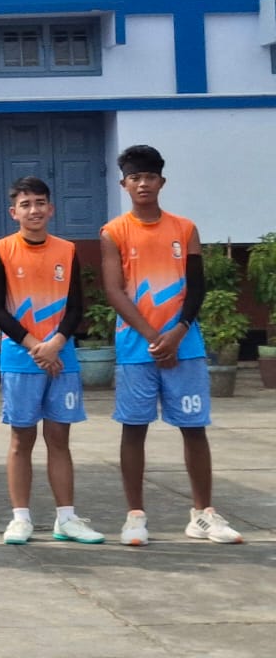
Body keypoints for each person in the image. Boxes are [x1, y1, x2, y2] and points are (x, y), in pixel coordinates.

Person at [101, 145, 241, 545]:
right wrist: (153, 337)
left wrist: (177, 332)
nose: (143, 184)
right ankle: (135, 517)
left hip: (185, 346)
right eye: (135, 178)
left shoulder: (184, 228)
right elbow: (114, 291)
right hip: (136, 348)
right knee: (134, 429)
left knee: (194, 428)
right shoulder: (113, 232)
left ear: (162, 182)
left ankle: (203, 514)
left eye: (150, 177)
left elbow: (196, 288)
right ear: (124, 184)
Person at [0, 176, 103, 545]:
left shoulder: (67, 250)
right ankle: (20, 518)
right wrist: (36, 346)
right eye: (26, 204)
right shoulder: (1, 250)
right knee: (21, 439)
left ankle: (66, 518)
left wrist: (56, 344)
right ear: (14, 212)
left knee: (59, 439)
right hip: (21, 359)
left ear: (51, 209)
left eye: (40, 203)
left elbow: (75, 307)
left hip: (61, 358)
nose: (33, 210)